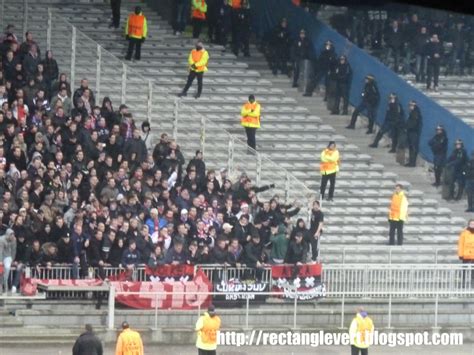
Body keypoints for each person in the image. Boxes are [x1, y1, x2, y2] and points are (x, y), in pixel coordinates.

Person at [405, 100, 422, 167]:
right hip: (413, 132)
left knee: (413, 148)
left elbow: (413, 124)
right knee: (412, 148)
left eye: (411, 105)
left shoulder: (415, 113)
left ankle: (412, 163)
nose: (410, 107)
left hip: (413, 133)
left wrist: (407, 127)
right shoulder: (413, 112)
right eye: (410, 105)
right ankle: (411, 162)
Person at [458, 219, 474, 286]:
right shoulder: (464, 233)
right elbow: (461, 244)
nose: (472, 225)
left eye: (473, 224)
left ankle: (472, 284)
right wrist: (460, 254)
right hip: (466, 255)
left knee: (473, 271)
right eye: (471, 224)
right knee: (464, 270)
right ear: (468, 224)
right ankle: (463, 284)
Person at [0, 229, 16, 294]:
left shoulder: (14, 240)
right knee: (1, 270)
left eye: (13, 235)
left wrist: (12, 259)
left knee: (7, 267)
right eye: (11, 235)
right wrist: (0, 261)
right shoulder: (1, 240)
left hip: (8, 256)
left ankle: (4, 282)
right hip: (1, 255)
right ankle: (1, 284)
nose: (12, 237)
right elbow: (0, 251)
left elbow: (13, 250)